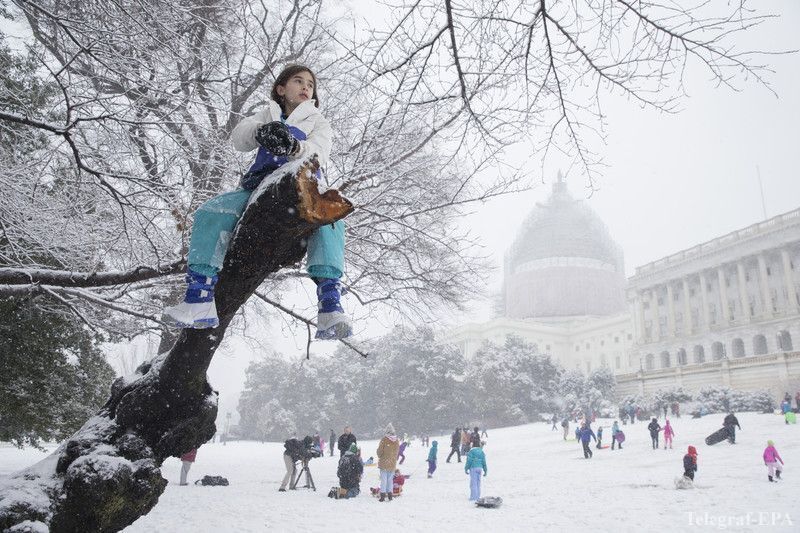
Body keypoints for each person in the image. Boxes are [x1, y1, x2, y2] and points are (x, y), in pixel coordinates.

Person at [161, 64, 351, 340]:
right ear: (281, 89)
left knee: (330, 224)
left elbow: (320, 152)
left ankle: (330, 303)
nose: (306, 87)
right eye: (298, 81)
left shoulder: (318, 121)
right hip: (258, 185)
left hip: (302, 187)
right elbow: (239, 138)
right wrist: (261, 132)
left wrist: (296, 148)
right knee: (211, 212)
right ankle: (199, 298)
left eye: (310, 84)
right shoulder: (267, 113)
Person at [376, 424, 400, 502]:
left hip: (384, 463)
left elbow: (379, 452)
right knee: (390, 480)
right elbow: (397, 452)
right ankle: (390, 495)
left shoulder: (384, 439)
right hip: (392, 463)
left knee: (383, 480)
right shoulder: (396, 440)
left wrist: (380, 454)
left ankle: (382, 496)